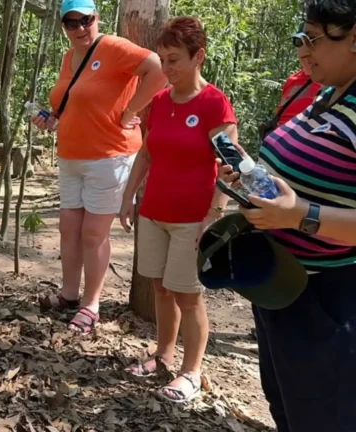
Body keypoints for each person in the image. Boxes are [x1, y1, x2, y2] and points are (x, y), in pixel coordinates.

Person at [218, 1, 356, 429]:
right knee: (290, 413)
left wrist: (302, 215)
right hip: (282, 286)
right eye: (298, 40)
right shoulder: (327, 93)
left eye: (312, 39)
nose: (302, 51)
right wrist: (252, 175)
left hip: (330, 299)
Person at [119, 17, 237, 403]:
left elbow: (228, 165)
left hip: (193, 218)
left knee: (188, 294)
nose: (167, 69)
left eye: (175, 60)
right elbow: (147, 151)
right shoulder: (161, 101)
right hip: (154, 210)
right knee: (160, 288)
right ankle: (163, 356)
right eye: (162, 60)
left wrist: (214, 216)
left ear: (198, 57)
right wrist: (128, 196)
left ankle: (190, 371)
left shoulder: (214, 104)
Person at [31, 0, 166, 333]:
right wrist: (51, 118)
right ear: (63, 26)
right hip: (71, 155)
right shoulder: (69, 57)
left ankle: (92, 305)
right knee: (68, 228)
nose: (79, 29)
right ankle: (69, 293)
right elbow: (73, 100)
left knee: (93, 233)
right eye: (71, 23)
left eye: (85, 20)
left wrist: (132, 109)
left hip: (109, 156)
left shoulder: (113, 46)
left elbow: (158, 69)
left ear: (96, 18)